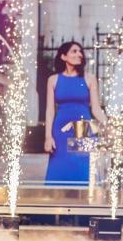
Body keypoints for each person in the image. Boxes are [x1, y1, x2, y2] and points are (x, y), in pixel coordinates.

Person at [44, 41, 107, 183]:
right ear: (63, 56)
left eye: (80, 52)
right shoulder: (53, 80)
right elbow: (49, 110)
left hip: (83, 129)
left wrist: (109, 125)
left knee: (82, 169)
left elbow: (96, 109)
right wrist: (48, 137)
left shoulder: (89, 78)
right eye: (74, 51)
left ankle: (86, 202)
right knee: (59, 170)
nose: (79, 54)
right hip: (60, 131)